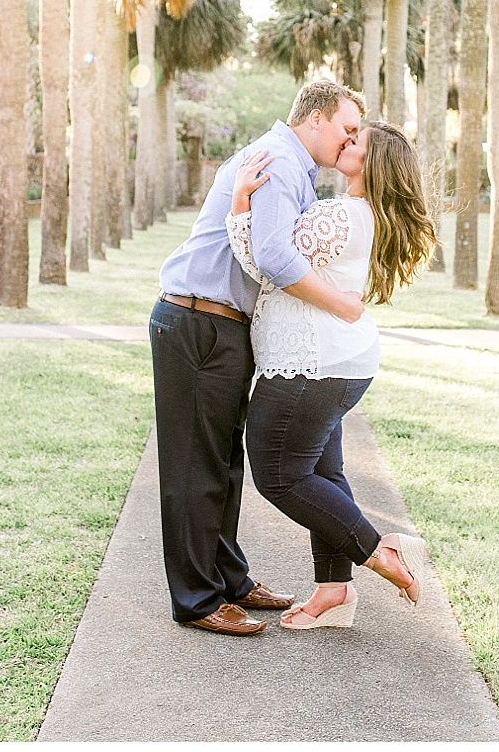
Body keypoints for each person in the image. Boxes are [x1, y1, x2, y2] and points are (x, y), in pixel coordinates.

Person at [151, 81, 369, 636]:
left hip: (224, 326)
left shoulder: (296, 169)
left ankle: (230, 578)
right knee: (194, 468)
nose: (349, 140)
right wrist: (343, 306)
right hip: (199, 320)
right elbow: (273, 254)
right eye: (345, 128)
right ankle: (198, 599)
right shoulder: (277, 159)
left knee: (225, 465)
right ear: (315, 119)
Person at [226, 120, 438, 629]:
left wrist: (238, 206)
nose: (345, 142)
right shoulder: (365, 215)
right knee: (322, 474)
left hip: (311, 365)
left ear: (371, 163)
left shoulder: (339, 216)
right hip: (340, 364)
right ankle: (334, 591)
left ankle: (377, 551)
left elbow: (266, 263)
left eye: (354, 142)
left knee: (278, 474)